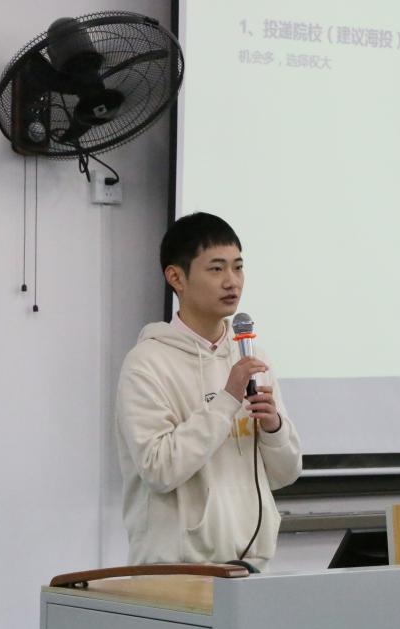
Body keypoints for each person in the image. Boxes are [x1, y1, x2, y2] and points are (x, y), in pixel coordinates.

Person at [115, 212, 302, 572]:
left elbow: (285, 473)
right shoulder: (147, 363)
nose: (232, 282)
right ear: (176, 277)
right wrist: (227, 400)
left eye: (238, 267)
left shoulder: (252, 357)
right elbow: (159, 469)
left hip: (250, 566)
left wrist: (274, 427)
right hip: (175, 572)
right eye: (216, 269)